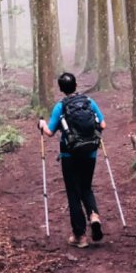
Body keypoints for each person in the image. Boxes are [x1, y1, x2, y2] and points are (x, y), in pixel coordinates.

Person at [38, 72, 106, 248]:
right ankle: (94, 215)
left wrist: (42, 124)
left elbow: (50, 132)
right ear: (76, 85)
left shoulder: (60, 107)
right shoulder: (89, 102)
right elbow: (103, 124)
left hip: (70, 155)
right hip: (90, 153)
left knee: (73, 194)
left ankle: (80, 236)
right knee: (86, 188)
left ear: (61, 89)